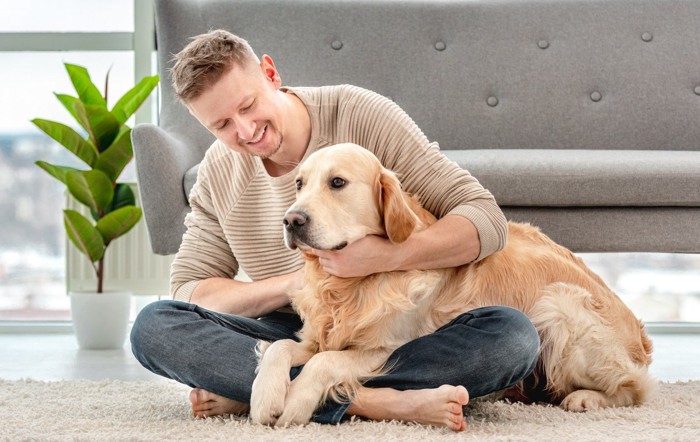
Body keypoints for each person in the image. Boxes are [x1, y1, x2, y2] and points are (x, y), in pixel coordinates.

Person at [130, 29, 540, 432]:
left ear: (270, 74)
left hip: (393, 331)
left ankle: (264, 389)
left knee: (514, 336)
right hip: (297, 328)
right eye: (221, 125)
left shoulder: (362, 115)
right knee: (155, 327)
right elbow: (190, 291)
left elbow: (486, 219)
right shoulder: (219, 171)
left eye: (249, 106)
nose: (245, 130)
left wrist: (385, 257)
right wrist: (302, 281)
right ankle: (375, 402)